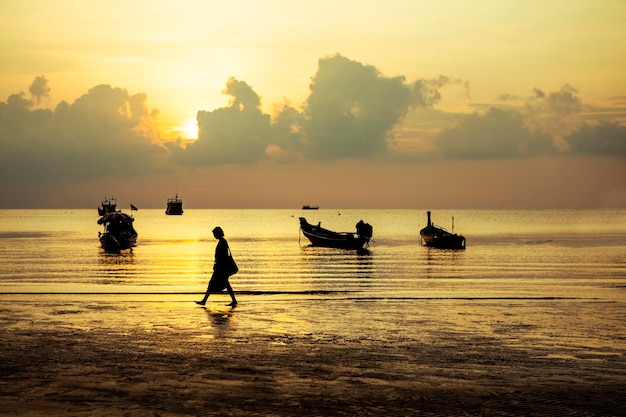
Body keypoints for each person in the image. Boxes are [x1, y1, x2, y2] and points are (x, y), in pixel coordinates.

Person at [196, 226, 238, 306]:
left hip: (221, 268)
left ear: (217, 233)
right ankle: (233, 300)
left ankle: (204, 301)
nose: (214, 235)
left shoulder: (222, 242)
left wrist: (218, 265)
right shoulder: (222, 241)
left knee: (212, 283)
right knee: (224, 284)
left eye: (214, 234)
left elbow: (223, 256)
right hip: (220, 268)